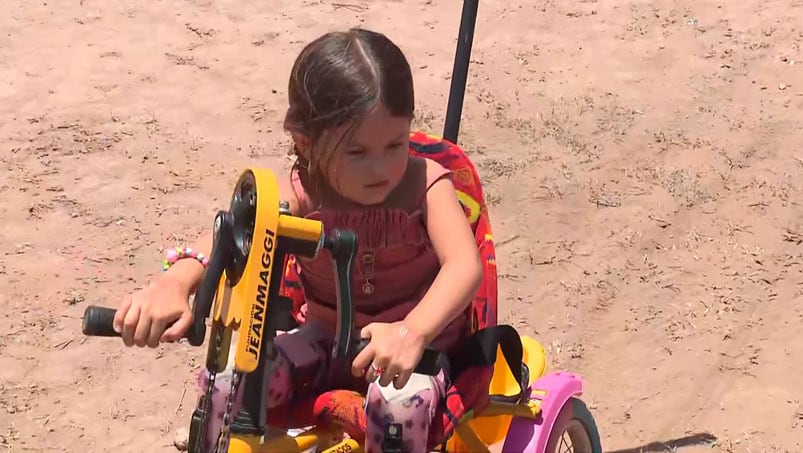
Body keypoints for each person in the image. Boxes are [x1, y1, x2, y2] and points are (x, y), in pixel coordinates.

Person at [112, 27, 483, 452]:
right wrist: (173, 284)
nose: (381, 167)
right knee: (231, 376)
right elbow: (231, 232)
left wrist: (412, 331)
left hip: (413, 352)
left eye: (395, 144)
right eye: (357, 152)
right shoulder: (299, 191)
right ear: (304, 143)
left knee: (399, 403)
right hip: (323, 338)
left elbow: (464, 265)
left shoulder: (425, 184)